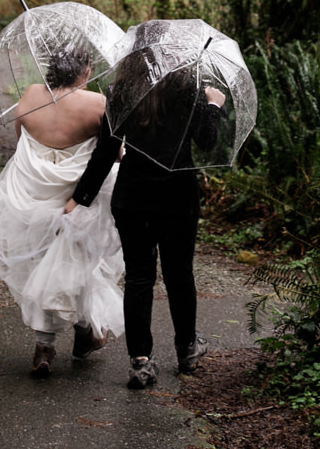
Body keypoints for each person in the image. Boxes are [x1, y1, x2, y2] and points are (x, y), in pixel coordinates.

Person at [65, 37, 226, 389]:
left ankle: (140, 362)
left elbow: (106, 152)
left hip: (132, 196)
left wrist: (81, 197)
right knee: (179, 274)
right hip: (177, 195)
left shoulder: (121, 91)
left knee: (139, 277)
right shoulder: (189, 86)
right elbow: (207, 141)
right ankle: (186, 350)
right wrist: (213, 105)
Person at [0, 46, 123, 378]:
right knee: (79, 264)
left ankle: (44, 347)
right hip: (74, 199)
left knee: (40, 266)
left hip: (31, 197)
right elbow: (113, 154)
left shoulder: (30, 96)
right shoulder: (98, 104)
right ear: (84, 72)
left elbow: (22, 144)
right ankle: (86, 331)